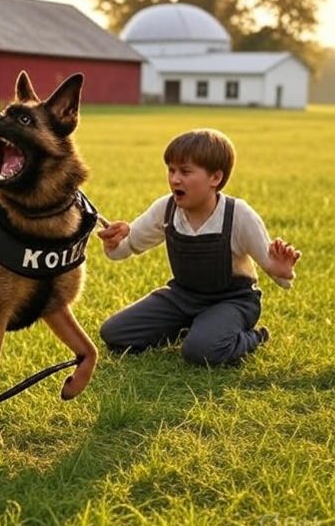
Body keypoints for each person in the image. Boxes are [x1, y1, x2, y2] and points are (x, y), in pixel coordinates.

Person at [97, 128, 301, 366]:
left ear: (215, 178)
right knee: (115, 333)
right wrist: (114, 243)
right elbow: (128, 245)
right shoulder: (166, 209)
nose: (175, 179)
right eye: (171, 170)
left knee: (200, 351)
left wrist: (281, 270)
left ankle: (255, 336)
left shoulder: (238, 215)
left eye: (185, 171)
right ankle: (197, 327)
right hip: (182, 297)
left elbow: (271, 265)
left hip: (232, 301)